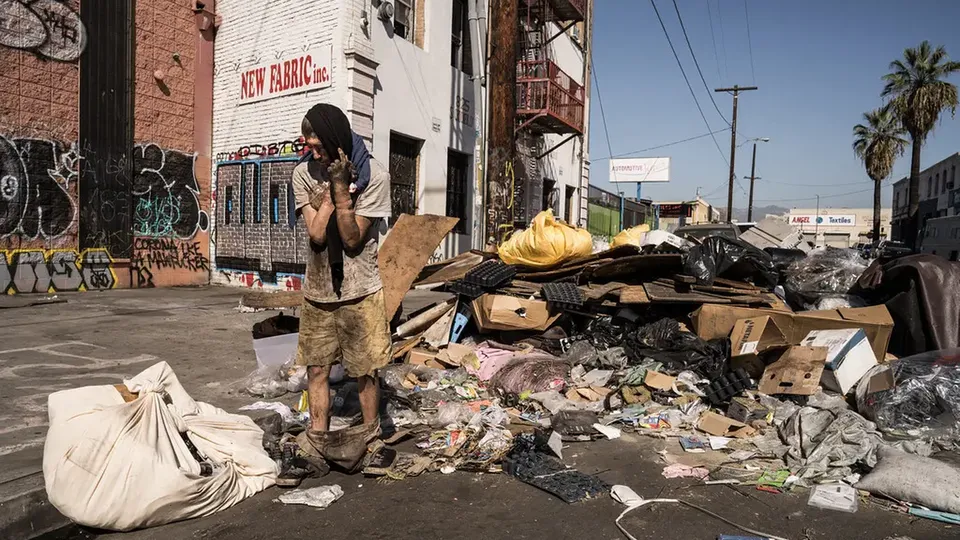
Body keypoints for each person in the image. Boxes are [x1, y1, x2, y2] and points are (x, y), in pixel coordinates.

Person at [285, 104, 392, 482]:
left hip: (360, 289)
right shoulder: (302, 173)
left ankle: (373, 440)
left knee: (365, 369)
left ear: (334, 139)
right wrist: (333, 191)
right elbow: (316, 234)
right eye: (308, 144)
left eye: (318, 144)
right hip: (318, 291)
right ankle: (317, 440)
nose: (312, 151)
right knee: (317, 368)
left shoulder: (375, 175)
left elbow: (350, 239)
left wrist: (342, 192)